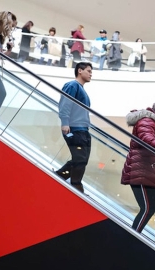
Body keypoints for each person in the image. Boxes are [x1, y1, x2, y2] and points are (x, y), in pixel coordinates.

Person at [121, 99, 155, 249]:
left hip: (152, 175)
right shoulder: (147, 120)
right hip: (141, 173)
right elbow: (147, 139)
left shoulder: (154, 124)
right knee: (148, 207)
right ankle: (131, 241)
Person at [55, 62, 93, 193]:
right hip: (75, 129)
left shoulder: (82, 90)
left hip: (83, 130)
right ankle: (75, 185)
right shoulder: (72, 85)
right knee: (80, 159)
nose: (91, 74)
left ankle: (59, 177)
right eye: (88, 71)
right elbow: (65, 104)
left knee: (82, 160)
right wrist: (65, 122)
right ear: (80, 71)